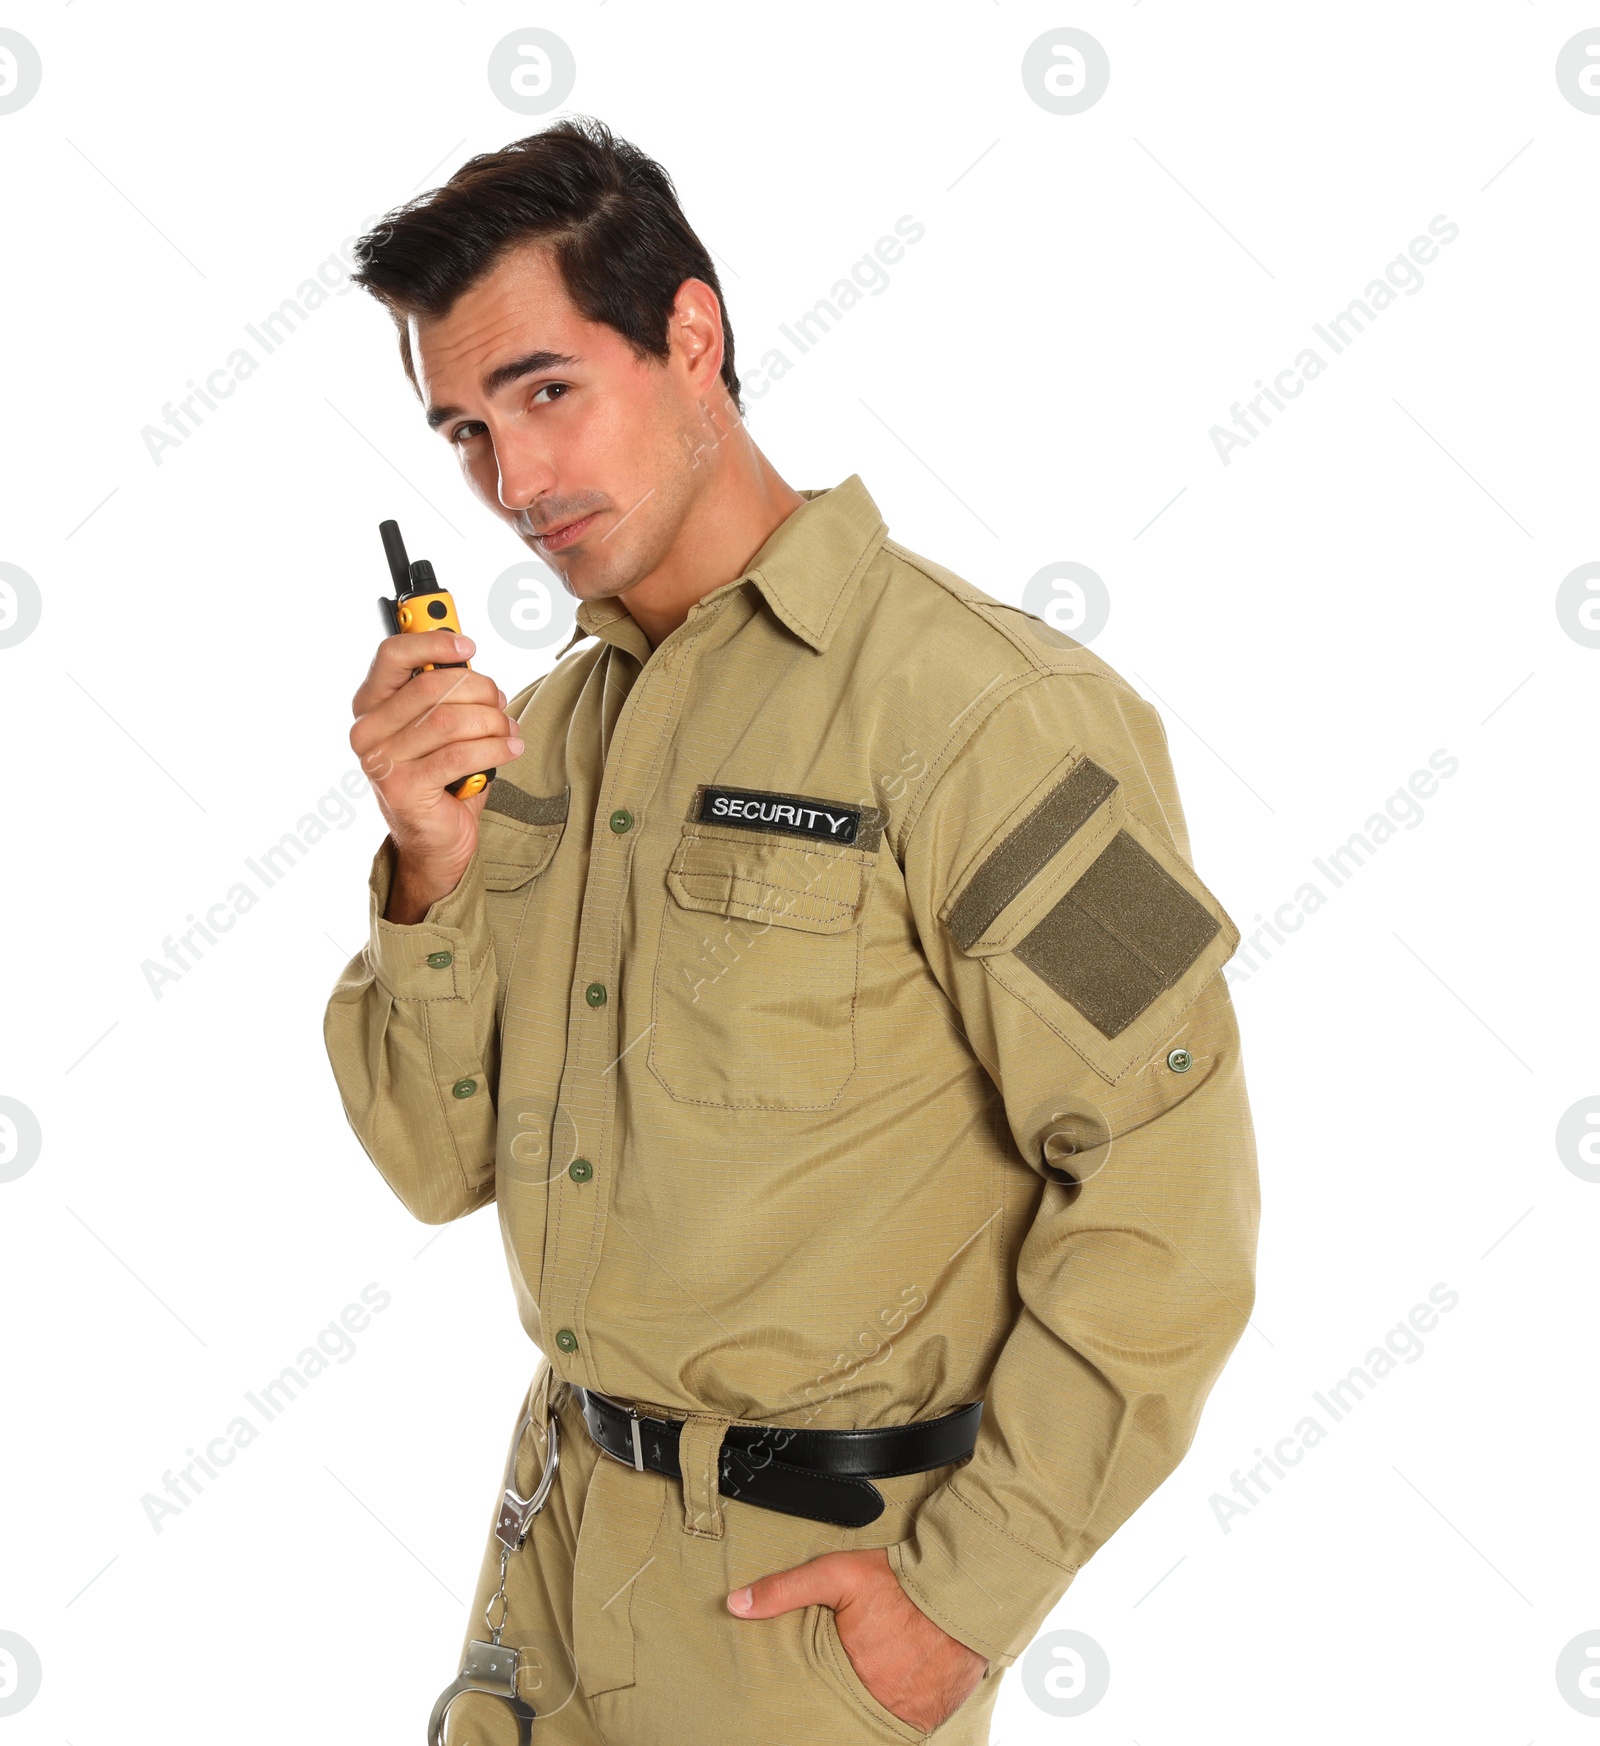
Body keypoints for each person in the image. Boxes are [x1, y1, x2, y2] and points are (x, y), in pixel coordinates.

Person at [323, 115, 1260, 1745]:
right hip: (544, 1574)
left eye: (548, 391)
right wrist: (430, 868)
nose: (514, 482)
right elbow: (429, 1158)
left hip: (802, 1620)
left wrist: (965, 1599)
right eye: (465, 430)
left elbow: (1174, 1188)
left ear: (693, 336)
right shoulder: (540, 743)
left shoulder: (996, 719)